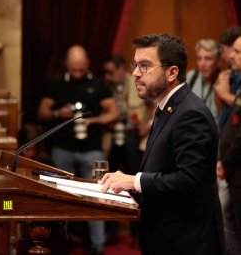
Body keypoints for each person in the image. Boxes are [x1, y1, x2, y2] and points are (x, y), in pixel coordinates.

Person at [100, 34, 225, 255]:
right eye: (135, 65)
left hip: (187, 241)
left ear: (172, 73)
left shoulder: (190, 113)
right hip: (167, 236)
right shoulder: (167, 108)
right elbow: (162, 170)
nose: (135, 73)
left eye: (145, 66)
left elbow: (189, 180)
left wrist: (135, 181)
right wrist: (125, 191)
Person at [37, 44, 119, 254]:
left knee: (98, 197)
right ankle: (61, 243)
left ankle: (97, 246)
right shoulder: (55, 85)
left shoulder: (98, 85)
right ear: (67, 64)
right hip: (62, 149)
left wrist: (95, 120)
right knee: (60, 197)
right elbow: (42, 112)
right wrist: (57, 114)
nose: (77, 73)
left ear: (87, 65)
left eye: (81, 69)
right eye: (74, 69)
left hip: (91, 150)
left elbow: (114, 113)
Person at [102, 54, 152, 248]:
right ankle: (111, 231)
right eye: (105, 72)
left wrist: (148, 124)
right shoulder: (106, 87)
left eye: (110, 72)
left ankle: (136, 233)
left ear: (121, 70)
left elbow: (154, 105)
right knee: (109, 182)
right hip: (114, 137)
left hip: (133, 138)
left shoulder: (137, 82)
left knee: (135, 183)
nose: (107, 76)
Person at [214, 27, 241, 255]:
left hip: (235, 166)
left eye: (237, 52)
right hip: (230, 165)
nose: (231, 56)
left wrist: (226, 163)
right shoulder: (231, 77)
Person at [186, 39, 221, 121]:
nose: (202, 64)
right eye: (199, 58)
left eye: (208, 59)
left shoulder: (224, 81)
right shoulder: (191, 77)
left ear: (218, 61)